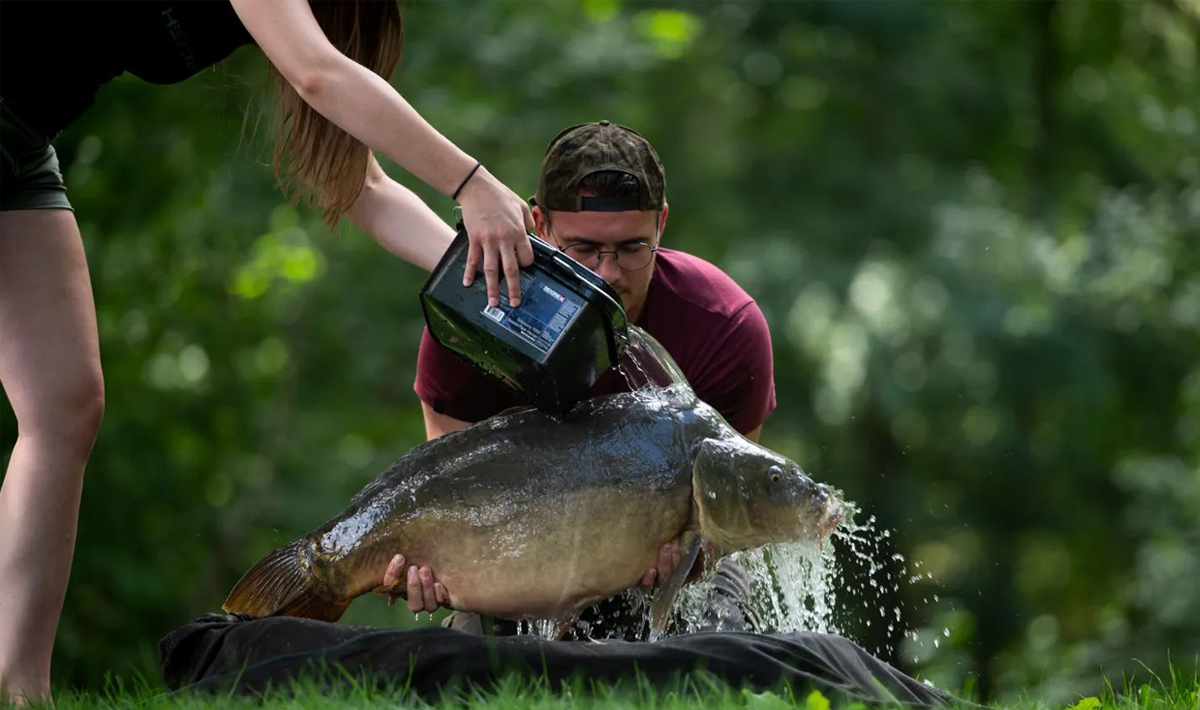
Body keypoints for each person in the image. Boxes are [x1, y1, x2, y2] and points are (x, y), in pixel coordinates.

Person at [0, 1, 533, 703]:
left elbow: (364, 186)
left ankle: (19, 691)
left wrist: (489, 285)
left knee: (64, 405)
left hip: (20, 139)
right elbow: (317, 76)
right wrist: (473, 185)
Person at [383, 121, 777, 638]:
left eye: (633, 248)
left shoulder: (725, 325)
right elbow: (452, 488)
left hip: (676, 567)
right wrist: (433, 569)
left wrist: (686, 554)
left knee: (724, 642)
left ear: (662, 223)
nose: (608, 273)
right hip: (520, 558)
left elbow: (732, 512)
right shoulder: (472, 323)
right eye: (584, 249)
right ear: (539, 225)